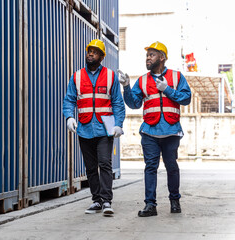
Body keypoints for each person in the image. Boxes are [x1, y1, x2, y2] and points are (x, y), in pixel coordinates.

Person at [118, 41, 191, 217]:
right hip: (150, 131)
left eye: (152, 55)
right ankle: (150, 205)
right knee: (150, 167)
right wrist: (127, 87)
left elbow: (186, 98)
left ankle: (175, 201)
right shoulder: (142, 80)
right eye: (147, 55)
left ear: (162, 58)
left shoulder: (176, 77)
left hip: (171, 130)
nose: (148, 58)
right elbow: (134, 104)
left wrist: (167, 90)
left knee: (171, 166)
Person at [63, 39, 125, 216]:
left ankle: (106, 201)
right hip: (84, 128)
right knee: (90, 167)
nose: (90, 54)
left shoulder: (110, 76)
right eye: (89, 51)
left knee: (104, 163)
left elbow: (118, 103)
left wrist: (119, 124)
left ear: (102, 56)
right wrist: (69, 117)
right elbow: (69, 100)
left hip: (105, 129)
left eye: (95, 52)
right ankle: (96, 200)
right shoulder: (77, 76)